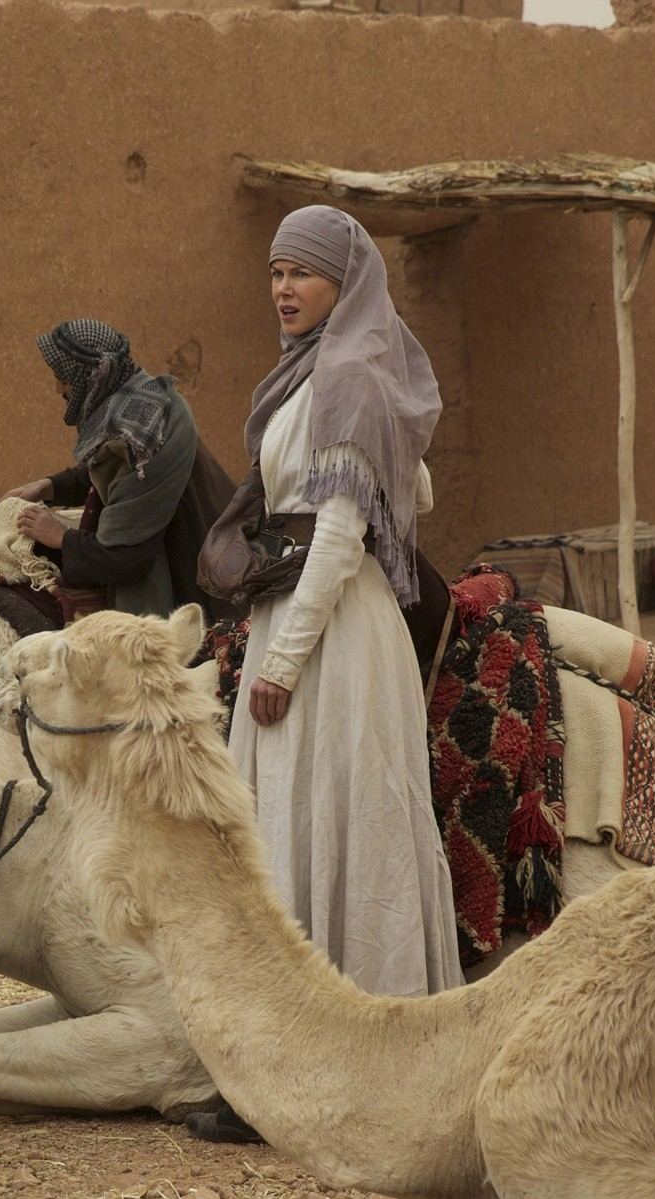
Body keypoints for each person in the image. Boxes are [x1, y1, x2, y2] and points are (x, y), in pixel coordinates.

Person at [204, 205, 463, 1007]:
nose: (283, 288)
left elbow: (342, 532)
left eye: (302, 273)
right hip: (299, 615)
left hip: (334, 634)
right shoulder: (318, 372)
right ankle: (284, 1034)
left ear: (343, 282)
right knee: (288, 819)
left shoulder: (348, 376)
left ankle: (347, 1031)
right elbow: (407, 484)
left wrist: (281, 663)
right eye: (276, 273)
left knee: (330, 817)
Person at [5, 320, 236, 616]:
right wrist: (50, 486)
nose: (57, 388)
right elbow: (107, 468)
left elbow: (125, 557)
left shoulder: (140, 435)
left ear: (91, 378)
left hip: (191, 574)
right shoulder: (137, 396)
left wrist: (61, 537)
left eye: (63, 378)